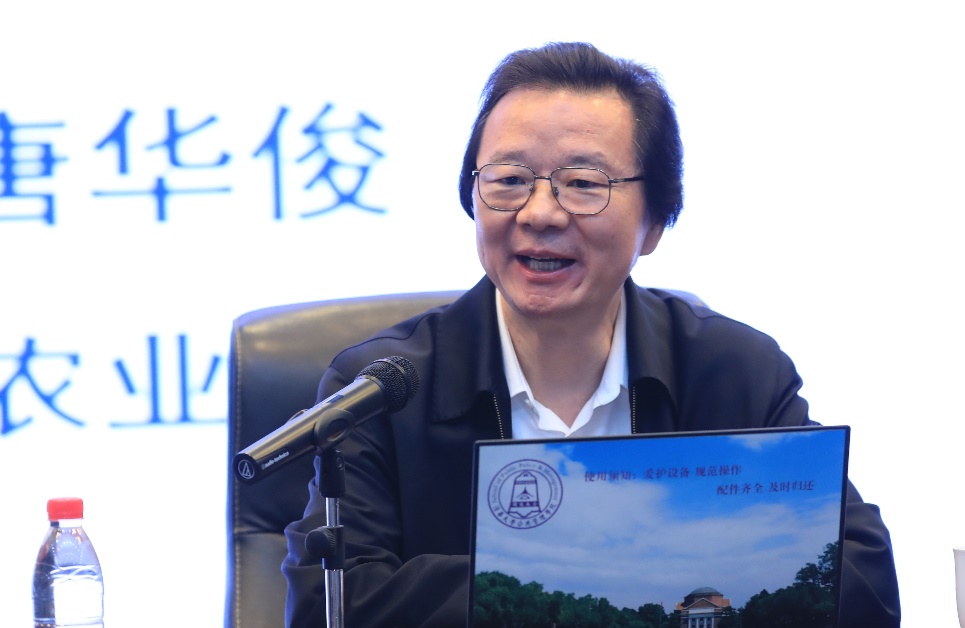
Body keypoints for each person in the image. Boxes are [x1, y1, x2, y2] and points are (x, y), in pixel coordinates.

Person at [283, 42, 900, 627]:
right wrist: (621, 584)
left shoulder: (733, 371)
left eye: (583, 183)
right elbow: (329, 603)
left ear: (654, 223)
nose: (539, 213)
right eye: (508, 179)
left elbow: (862, 578)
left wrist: (579, 584)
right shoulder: (383, 390)